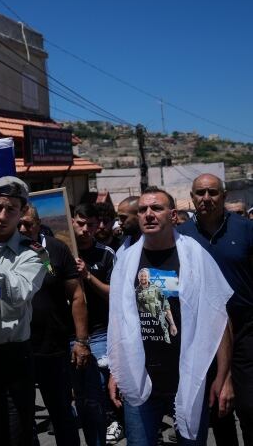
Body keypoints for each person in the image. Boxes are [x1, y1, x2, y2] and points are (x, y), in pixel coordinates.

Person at [108, 186, 234, 445]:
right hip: (141, 377)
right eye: (143, 210)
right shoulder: (126, 261)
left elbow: (218, 320)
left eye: (157, 208)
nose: (149, 214)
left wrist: (224, 377)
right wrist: (115, 371)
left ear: (173, 215)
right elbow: (119, 324)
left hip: (189, 378)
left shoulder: (195, 257)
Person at [0, 176, 48, 446]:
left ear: (22, 212)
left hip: (13, 356)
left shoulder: (34, 253)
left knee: (16, 434)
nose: (2, 215)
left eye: (11, 209)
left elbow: (17, 293)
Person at [179, 174, 253, 445]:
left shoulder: (245, 229)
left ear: (224, 196)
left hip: (245, 329)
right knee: (218, 408)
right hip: (204, 333)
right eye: (200, 193)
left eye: (212, 193)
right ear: (192, 196)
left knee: (249, 406)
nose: (206, 199)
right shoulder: (182, 235)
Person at [19, 205, 89, 446]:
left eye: (27, 224)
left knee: (61, 413)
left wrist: (81, 341)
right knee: (22, 418)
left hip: (53, 347)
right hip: (18, 349)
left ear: (38, 224)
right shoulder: (5, 253)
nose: (22, 229)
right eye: (18, 224)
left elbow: (77, 296)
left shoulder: (56, 249)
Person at [70, 203, 118, 445]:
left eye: (90, 225)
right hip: (64, 336)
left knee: (94, 398)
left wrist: (88, 276)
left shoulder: (106, 254)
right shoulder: (60, 251)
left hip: (98, 335)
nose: (85, 230)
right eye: (80, 224)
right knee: (76, 400)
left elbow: (115, 294)